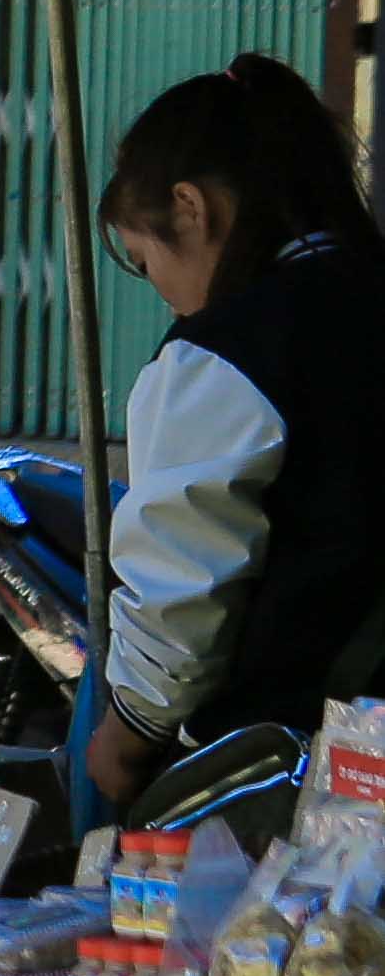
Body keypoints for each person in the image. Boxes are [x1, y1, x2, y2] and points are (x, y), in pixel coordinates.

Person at [84, 53, 384, 814]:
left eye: (143, 260)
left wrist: (122, 740)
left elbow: (181, 595)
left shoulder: (227, 354)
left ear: (190, 207)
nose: (163, 294)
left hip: (306, 766)